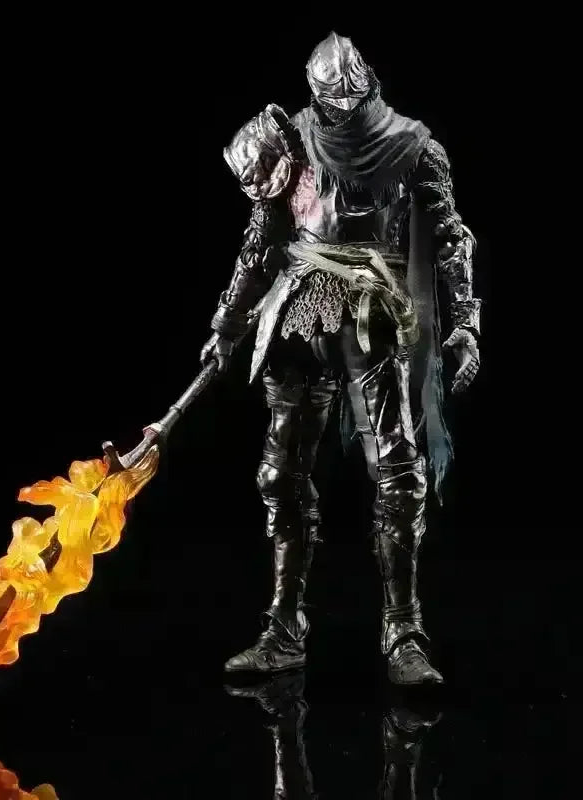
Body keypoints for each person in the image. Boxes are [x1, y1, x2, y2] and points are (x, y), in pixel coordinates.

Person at [200, 31, 481, 685]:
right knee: (281, 474)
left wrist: (466, 323)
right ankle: (283, 628)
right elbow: (263, 236)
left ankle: (403, 632)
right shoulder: (291, 140)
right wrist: (229, 321)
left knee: (398, 473)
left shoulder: (413, 147)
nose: (345, 113)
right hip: (299, 312)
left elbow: (449, 238)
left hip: (371, 314)